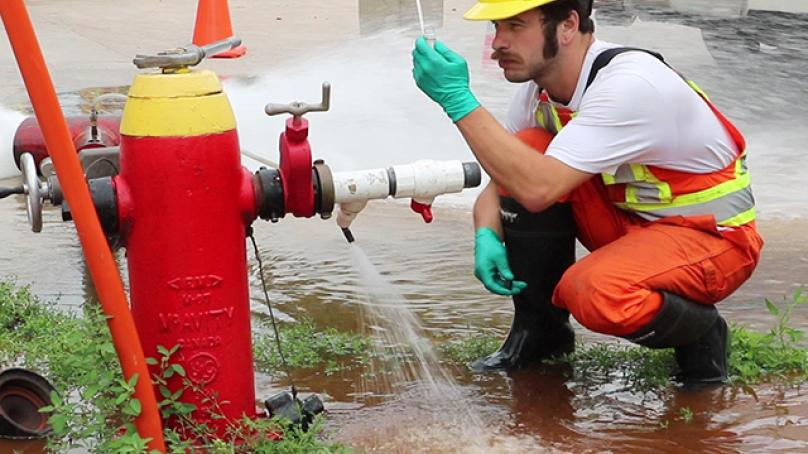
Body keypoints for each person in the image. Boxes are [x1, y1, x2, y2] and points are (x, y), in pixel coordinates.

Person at [411, 0, 763, 386]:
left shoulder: (629, 85)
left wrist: (458, 101)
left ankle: (701, 334)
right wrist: (486, 232)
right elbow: (504, 179)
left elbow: (537, 188)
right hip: (636, 227)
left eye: (515, 26)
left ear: (567, 26)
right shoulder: (540, 90)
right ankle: (540, 336)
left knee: (593, 293)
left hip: (711, 240)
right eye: (497, 28)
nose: (498, 43)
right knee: (526, 146)